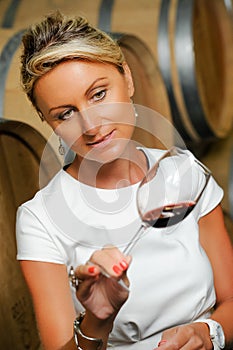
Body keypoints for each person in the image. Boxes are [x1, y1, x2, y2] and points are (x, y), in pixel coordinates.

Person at [16, 10, 233, 350]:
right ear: (49, 122)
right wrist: (98, 320)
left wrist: (208, 332)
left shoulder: (184, 172)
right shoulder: (40, 218)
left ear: (127, 79)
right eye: (65, 113)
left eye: (98, 94)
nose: (91, 127)